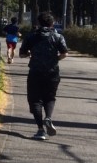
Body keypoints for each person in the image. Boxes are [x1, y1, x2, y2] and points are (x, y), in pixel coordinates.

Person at [19, 12, 69, 140]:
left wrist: (30, 54)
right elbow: (65, 53)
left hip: (35, 72)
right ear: (52, 23)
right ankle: (48, 117)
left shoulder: (31, 36)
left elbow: (22, 54)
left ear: (38, 23)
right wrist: (55, 58)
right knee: (50, 97)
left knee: (35, 100)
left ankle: (40, 130)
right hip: (52, 72)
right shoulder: (58, 36)